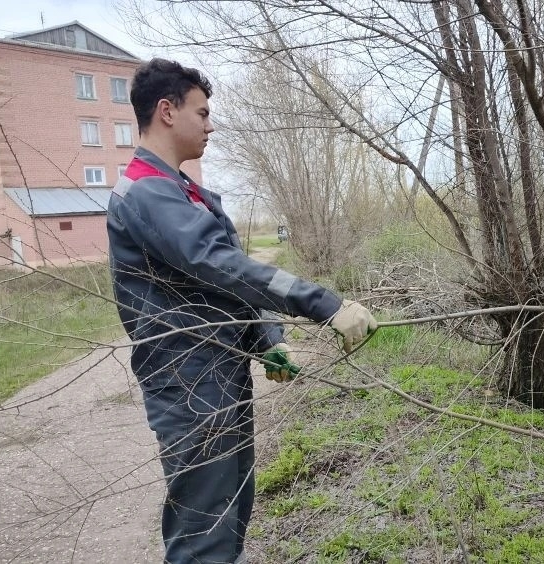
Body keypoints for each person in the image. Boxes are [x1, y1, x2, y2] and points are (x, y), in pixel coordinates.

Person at [107, 58, 377, 563]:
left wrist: (267, 340)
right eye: (202, 112)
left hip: (218, 379)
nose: (210, 125)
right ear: (167, 111)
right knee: (204, 540)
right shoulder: (147, 193)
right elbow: (220, 265)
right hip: (192, 390)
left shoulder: (179, 191)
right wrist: (324, 304)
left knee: (230, 522)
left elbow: (216, 289)